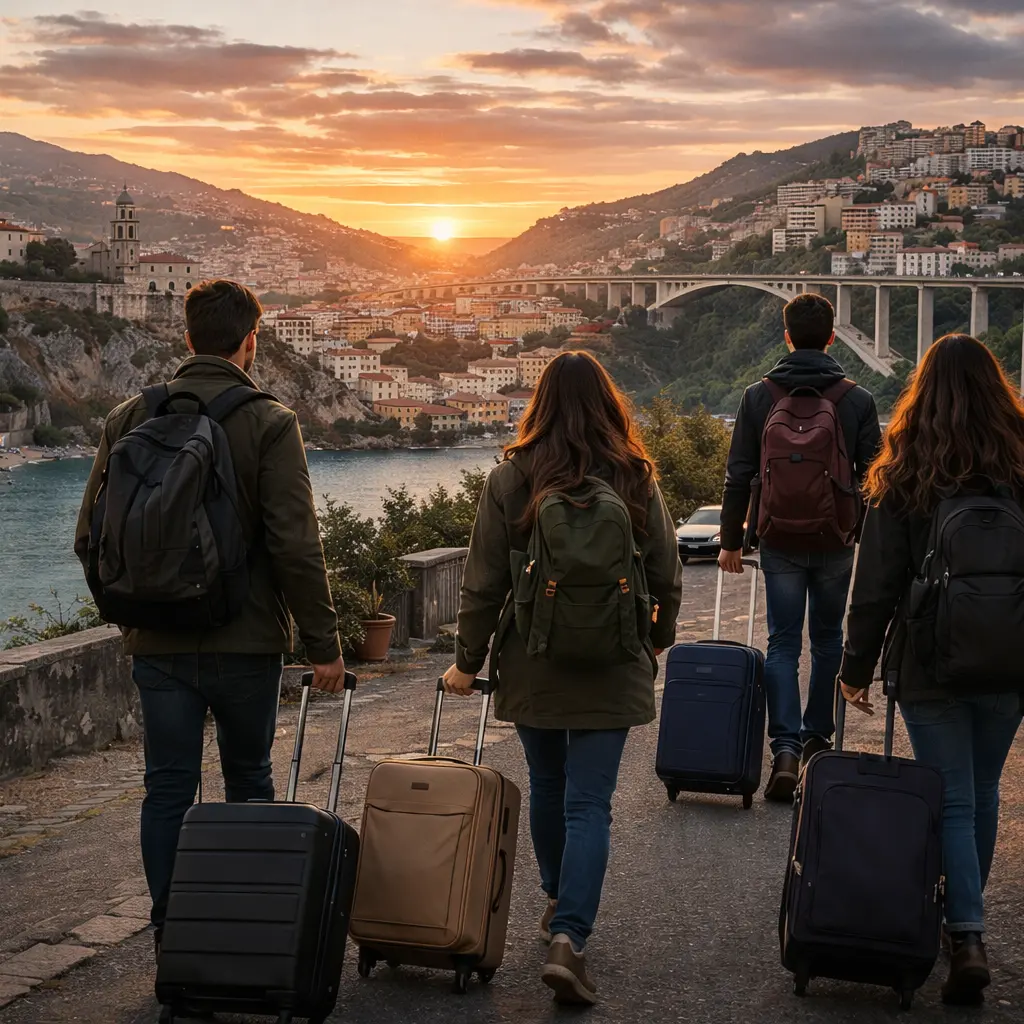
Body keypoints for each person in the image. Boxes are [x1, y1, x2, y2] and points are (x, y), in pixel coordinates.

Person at [74, 279, 347, 957]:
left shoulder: (126, 418)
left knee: (166, 788)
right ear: (250, 341)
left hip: (157, 643)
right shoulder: (271, 421)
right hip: (246, 638)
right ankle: (245, 938)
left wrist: (131, 610)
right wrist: (325, 646)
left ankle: (174, 939)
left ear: (186, 335)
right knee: (248, 781)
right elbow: (294, 544)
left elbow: (88, 536)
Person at [442, 351, 682, 1006]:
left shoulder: (511, 478)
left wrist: (467, 661)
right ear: (608, 404)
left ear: (539, 404)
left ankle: (555, 897)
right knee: (591, 803)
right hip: (613, 662)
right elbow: (667, 575)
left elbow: (483, 583)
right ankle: (570, 938)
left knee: (548, 786)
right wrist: (652, 642)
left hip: (534, 661)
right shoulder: (635, 475)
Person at [839, 334, 1024, 1005]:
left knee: (950, 792)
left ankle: (966, 932)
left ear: (924, 387)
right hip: (1010, 658)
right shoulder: (1021, 457)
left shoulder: (907, 463)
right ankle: (965, 926)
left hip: (929, 658)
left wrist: (854, 667)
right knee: (981, 789)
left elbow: (877, 581)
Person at [719, 292, 880, 801]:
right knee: (828, 639)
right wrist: (867, 538)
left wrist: (730, 541)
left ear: (786, 335)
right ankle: (817, 743)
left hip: (777, 537)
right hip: (835, 539)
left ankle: (783, 749)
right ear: (832, 336)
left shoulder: (757, 396)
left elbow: (739, 475)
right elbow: (875, 479)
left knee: (783, 644)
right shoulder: (856, 399)